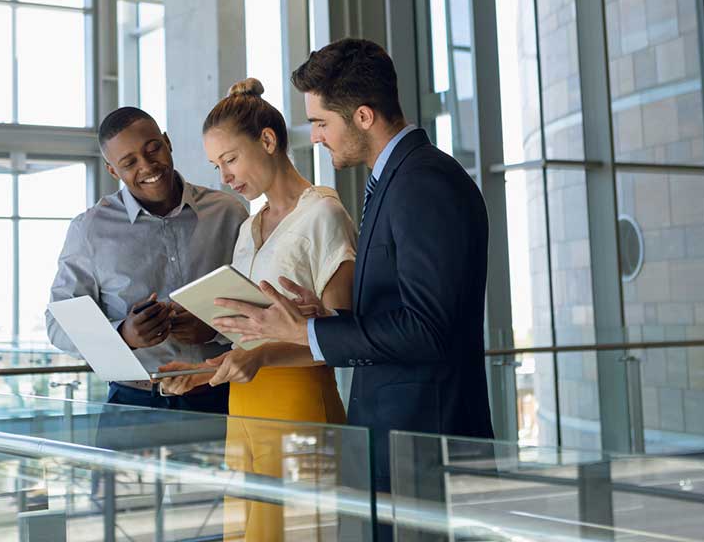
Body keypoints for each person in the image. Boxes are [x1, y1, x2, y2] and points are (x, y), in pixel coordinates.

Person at [209, 39, 494, 497]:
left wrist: (308, 335)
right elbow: (396, 311)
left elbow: (427, 330)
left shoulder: (424, 182)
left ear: (363, 116)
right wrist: (320, 319)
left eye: (321, 122)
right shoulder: (395, 180)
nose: (316, 136)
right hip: (397, 441)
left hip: (424, 445)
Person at [158, 78, 355, 542]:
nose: (224, 177)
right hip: (245, 406)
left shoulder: (323, 215)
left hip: (299, 405)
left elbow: (340, 341)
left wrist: (257, 357)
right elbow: (255, 337)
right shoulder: (249, 228)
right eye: (216, 165)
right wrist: (206, 370)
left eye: (230, 159)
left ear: (267, 141)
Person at [46, 106, 247, 415]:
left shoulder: (228, 213)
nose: (148, 165)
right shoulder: (89, 229)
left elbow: (261, 303)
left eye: (153, 149)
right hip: (134, 402)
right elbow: (58, 324)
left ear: (167, 142)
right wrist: (123, 334)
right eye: (129, 162)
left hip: (221, 395)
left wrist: (215, 329)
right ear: (113, 170)